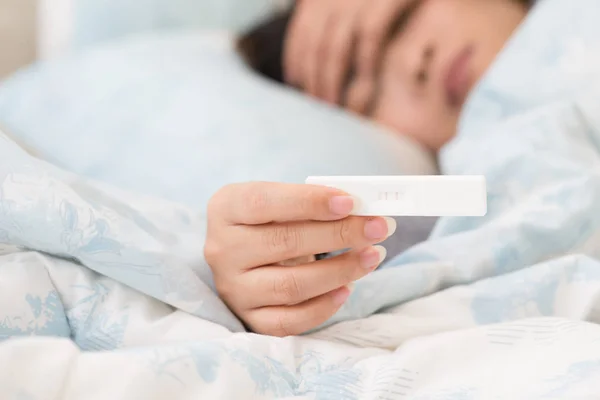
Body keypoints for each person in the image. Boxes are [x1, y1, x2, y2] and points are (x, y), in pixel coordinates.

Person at [205, 0, 532, 337]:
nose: (413, 64)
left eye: (400, 22)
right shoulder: (460, 230)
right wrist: (259, 277)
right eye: (370, 94)